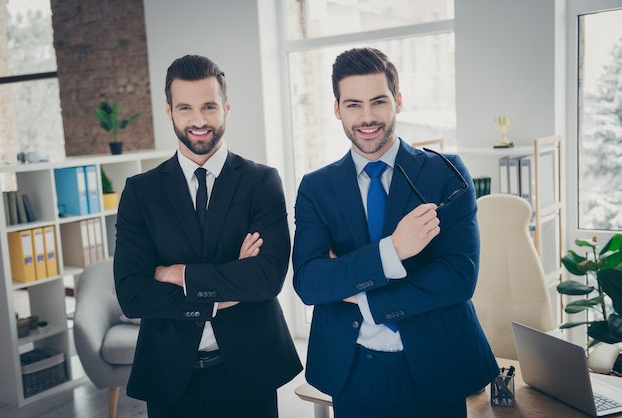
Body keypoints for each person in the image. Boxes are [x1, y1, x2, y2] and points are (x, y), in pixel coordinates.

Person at [292, 47, 499, 418]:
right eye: (353, 104)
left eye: (378, 101)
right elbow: (310, 283)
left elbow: (458, 277)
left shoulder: (446, 174)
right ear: (337, 109)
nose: (368, 117)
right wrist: (392, 252)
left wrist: (360, 295)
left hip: (437, 363)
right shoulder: (315, 187)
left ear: (398, 101)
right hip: (353, 370)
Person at [113, 54, 302, 418]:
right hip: (170, 376)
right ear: (169, 111)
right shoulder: (140, 192)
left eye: (209, 107)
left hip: (249, 371)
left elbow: (267, 279)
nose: (198, 121)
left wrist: (177, 274)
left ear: (226, 107)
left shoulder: (261, 182)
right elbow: (133, 295)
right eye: (185, 108)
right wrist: (222, 291)